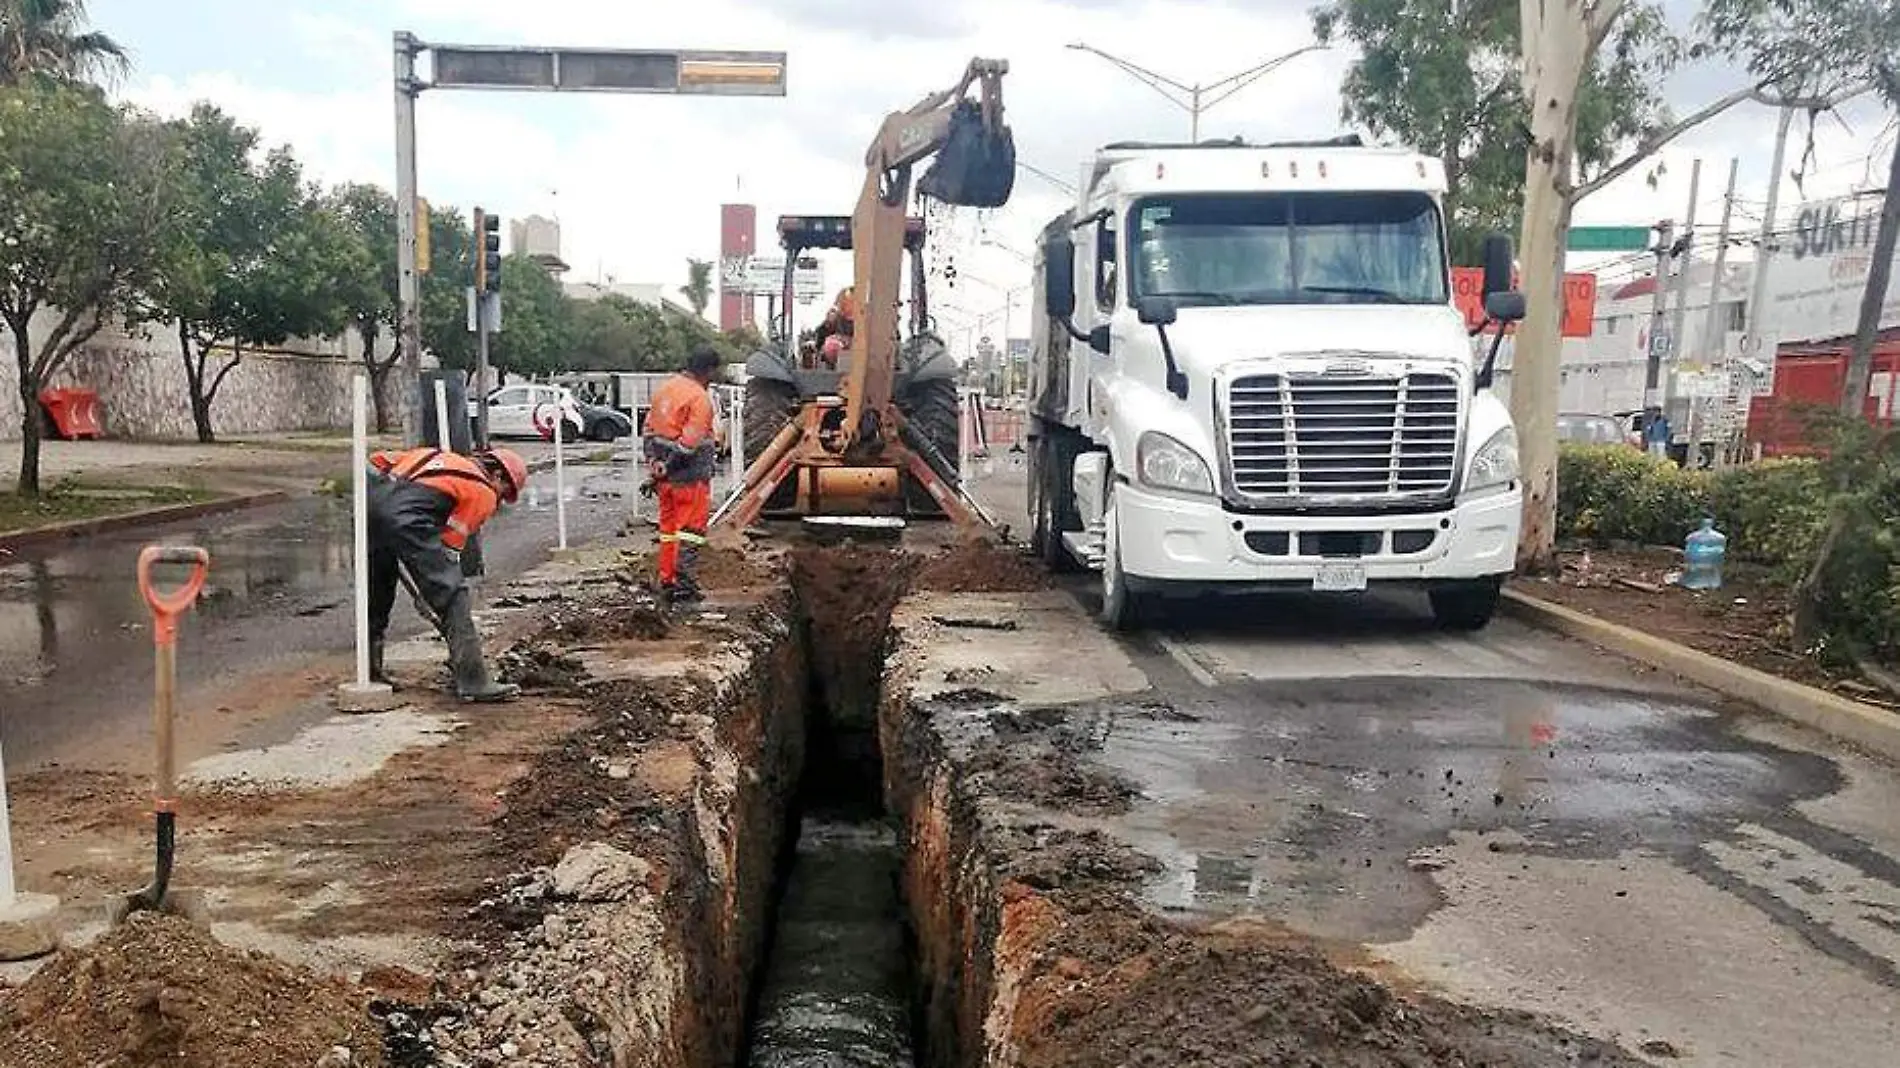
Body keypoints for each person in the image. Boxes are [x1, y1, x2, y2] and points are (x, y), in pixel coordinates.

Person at [365, 445, 529, 702]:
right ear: (497, 475)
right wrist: (436, 585)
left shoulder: (438, 457)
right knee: (454, 596)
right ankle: (473, 680)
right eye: (505, 492)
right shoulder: (482, 490)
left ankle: (370, 670)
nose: (500, 501)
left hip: (371, 508)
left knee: (377, 592)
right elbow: (451, 545)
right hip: (410, 520)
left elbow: (376, 461)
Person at [643, 345, 722, 603]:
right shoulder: (699, 398)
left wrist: (656, 464)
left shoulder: (665, 390)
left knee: (668, 530)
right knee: (690, 531)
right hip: (689, 478)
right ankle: (684, 584)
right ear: (708, 371)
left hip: (665, 480)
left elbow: (648, 430)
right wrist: (670, 465)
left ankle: (667, 579)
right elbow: (689, 443)